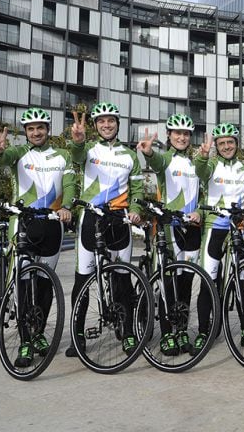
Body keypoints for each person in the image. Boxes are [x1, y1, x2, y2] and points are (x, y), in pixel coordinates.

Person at [0, 107, 75, 367]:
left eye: (40, 128)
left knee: (45, 283)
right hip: (23, 225)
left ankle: (38, 333)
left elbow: (70, 185)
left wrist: (67, 206)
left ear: (48, 130)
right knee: (24, 284)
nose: (36, 132)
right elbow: (1, 158)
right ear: (25, 132)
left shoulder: (63, 155)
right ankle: (25, 341)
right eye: (30, 129)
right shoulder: (18, 154)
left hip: (52, 225)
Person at [66, 102, 144, 357]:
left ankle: (130, 333)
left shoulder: (130, 155)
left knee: (123, 279)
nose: (106, 125)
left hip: (120, 220)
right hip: (91, 218)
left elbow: (138, 191)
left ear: (118, 124)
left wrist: (135, 209)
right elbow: (76, 156)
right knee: (83, 281)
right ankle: (77, 336)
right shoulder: (88, 149)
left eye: (111, 121)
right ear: (95, 125)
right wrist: (78, 141)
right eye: (101, 121)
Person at [194, 122, 244, 350]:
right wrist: (201, 157)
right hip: (214, 229)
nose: (226, 146)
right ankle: (203, 332)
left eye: (230, 142)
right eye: (222, 143)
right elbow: (200, 172)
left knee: (242, 282)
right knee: (208, 281)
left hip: (236, 230)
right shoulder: (210, 165)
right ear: (216, 146)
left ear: (236, 144)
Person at [137, 113, 203, 356]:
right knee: (168, 283)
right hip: (169, 227)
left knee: (186, 283)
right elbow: (155, 163)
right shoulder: (164, 158)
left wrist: (199, 211)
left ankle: (182, 330)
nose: (182, 137)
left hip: (193, 228)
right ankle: (167, 334)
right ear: (169, 135)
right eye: (177, 133)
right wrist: (148, 152)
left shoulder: (197, 163)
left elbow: (203, 194)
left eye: (186, 134)